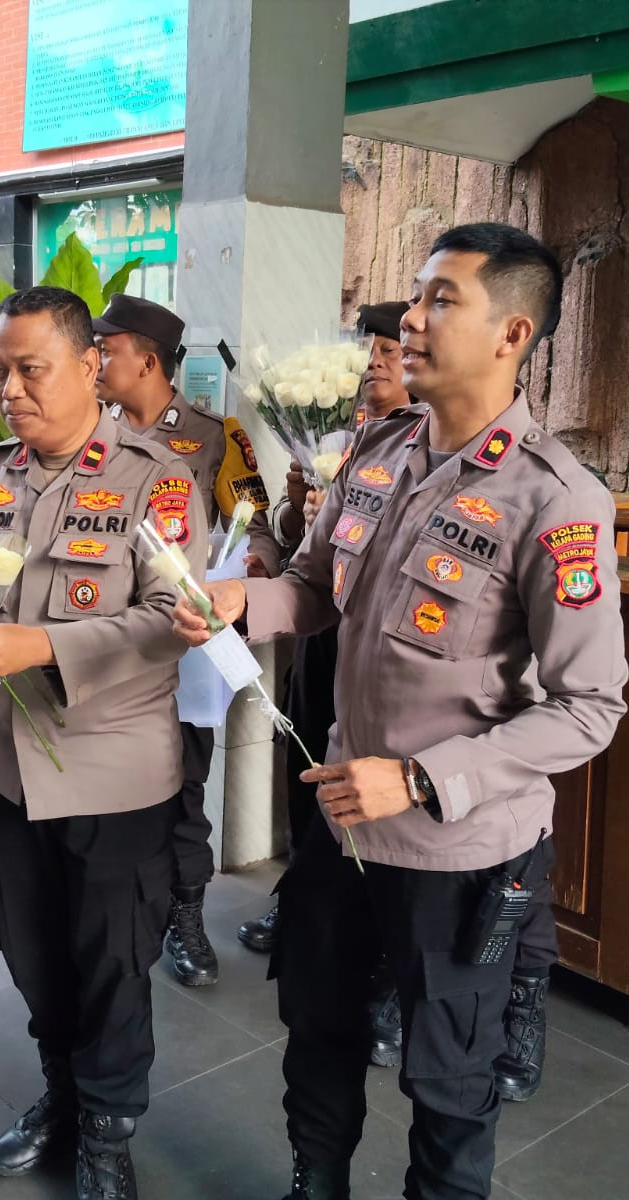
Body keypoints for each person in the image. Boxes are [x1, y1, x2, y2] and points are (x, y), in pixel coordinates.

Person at [173, 223, 628, 1200]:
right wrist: (241, 602)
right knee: (318, 1031)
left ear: (511, 333)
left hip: (456, 853)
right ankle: (315, 1182)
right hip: (340, 823)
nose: (409, 321)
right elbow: (313, 588)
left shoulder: (554, 500)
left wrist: (423, 778)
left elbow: (590, 709)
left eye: (440, 302)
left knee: (450, 1081)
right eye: (414, 298)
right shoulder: (375, 450)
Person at [0, 286, 205, 1200]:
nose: (9, 388)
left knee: (111, 962)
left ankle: (107, 1133)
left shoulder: (153, 479)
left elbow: (178, 616)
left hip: (114, 773)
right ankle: (61, 1094)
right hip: (11, 772)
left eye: (30, 369)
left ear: (91, 366)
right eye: (0, 370)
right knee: (31, 947)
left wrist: (43, 645)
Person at [237, 300, 416, 1069]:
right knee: (305, 758)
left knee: (374, 798)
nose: (376, 360)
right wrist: (302, 505)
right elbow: (287, 543)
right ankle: (300, 891)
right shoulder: (335, 438)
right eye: (367, 347)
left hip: (390, 657)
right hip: (321, 633)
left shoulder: (422, 452)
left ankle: (385, 972)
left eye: (389, 347)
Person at [93, 291, 281, 988]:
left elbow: (255, 522)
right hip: (107, 644)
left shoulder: (213, 436)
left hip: (182, 648)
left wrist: (254, 561)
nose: (94, 360)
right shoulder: (91, 431)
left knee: (183, 788)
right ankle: (122, 912)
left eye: (106, 349)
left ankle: (186, 919)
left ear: (146, 360)